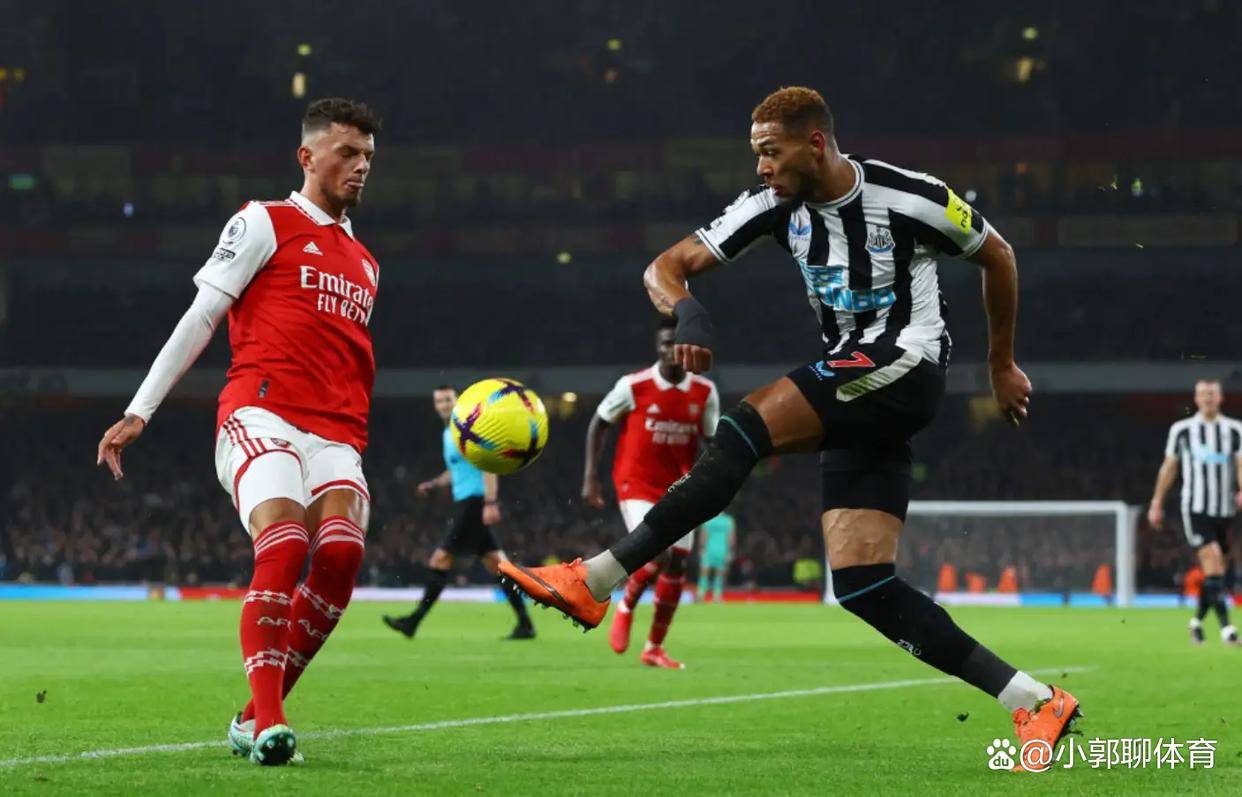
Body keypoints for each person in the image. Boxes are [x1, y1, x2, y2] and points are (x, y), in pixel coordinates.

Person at [500, 86, 1078, 767]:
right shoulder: (773, 205)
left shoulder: (909, 196)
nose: (761, 167)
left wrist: (1001, 365)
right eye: (756, 154)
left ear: (815, 144)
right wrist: (688, 313)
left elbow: (997, 254)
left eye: (771, 152)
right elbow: (665, 267)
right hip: (858, 386)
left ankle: (594, 579)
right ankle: (1034, 699)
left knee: (742, 427)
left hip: (906, 362)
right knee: (863, 585)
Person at [95, 98, 383, 766]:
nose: (361, 166)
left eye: (368, 156)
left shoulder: (366, 263)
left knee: (341, 555)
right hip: (261, 414)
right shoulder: (263, 221)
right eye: (347, 152)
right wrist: (141, 409)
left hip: (337, 435)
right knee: (285, 540)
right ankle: (272, 725)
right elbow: (202, 315)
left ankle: (253, 714)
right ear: (307, 156)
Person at [582, 318, 719, 668]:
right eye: (663, 344)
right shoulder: (633, 386)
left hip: (680, 487)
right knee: (658, 553)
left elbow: (712, 442)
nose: (669, 350)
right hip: (636, 482)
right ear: (657, 347)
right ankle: (626, 604)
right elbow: (599, 423)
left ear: (685, 347)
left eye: (674, 343)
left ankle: (653, 648)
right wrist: (590, 477)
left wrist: (717, 481)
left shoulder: (704, 392)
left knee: (678, 564)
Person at [383, 385, 535, 640]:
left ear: (457, 401)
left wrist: (490, 502)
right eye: (439, 401)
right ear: (435, 406)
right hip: (466, 501)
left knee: (440, 559)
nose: (444, 405)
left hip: (473, 502)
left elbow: (488, 464)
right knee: (498, 565)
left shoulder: (470, 429)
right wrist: (433, 483)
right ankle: (526, 624)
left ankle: (413, 622)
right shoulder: (448, 434)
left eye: (448, 400)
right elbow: (455, 470)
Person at [1148, 379, 1242, 645]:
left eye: (1212, 393)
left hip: (1224, 510)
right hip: (1195, 508)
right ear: (1196, 398)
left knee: (1216, 572)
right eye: (1204, 394)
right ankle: (1227, 630)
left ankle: (1196, 623)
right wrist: (1157, 501)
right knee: (1213, 561)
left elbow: (1240, 464)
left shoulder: (1235, 429)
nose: (1208, 398)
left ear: (1220, 397)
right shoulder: (1182, 430)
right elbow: (1169, 467)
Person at [699, 512, 736, 602]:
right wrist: (730, 551)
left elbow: (703, 535)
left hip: (709, 549)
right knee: (719, 574)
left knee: (704, 572)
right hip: (722, 549)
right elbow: (731, 538)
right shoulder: (729, 520)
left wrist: (701, 548)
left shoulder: (707, 519)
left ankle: (701, 594)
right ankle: (717, 596)